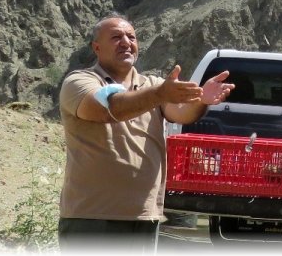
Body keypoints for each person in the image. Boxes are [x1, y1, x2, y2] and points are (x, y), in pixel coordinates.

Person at [57, 13, 234, 253]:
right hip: (93, 215)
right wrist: (160, 94)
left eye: (131, 37)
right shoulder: (80, 81)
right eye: (116, 37)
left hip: (143, 216)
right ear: (96, 47)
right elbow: (104, 109)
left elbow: (181, 114)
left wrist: (202, 100)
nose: (126, 42)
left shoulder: (151, 85)